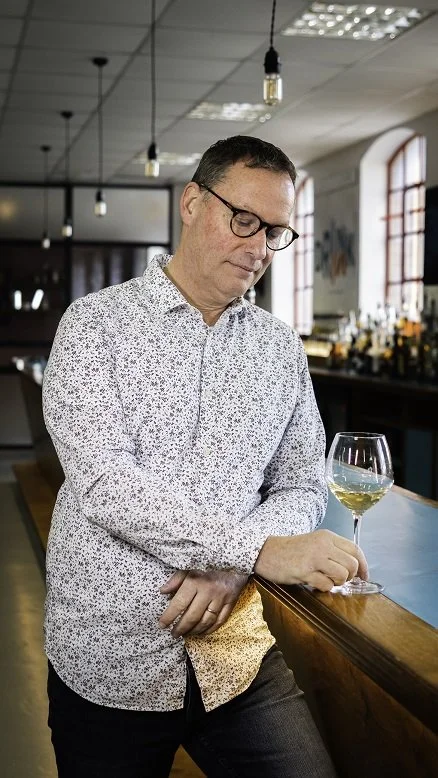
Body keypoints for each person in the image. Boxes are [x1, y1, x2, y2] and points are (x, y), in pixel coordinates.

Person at [42, 135, 368, 777]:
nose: (257, 248)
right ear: (192, 202)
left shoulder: (279, 348)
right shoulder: (93, 326)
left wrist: (232, 569)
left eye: (275, 232)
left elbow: (302, 484)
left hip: (235, 650)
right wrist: (258, 551)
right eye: (242, 220)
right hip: (109, 657)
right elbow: (107, 486)